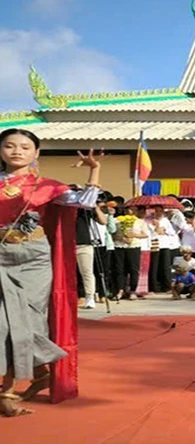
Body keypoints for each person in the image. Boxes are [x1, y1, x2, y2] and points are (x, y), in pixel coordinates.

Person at [0, 128, 102, 415]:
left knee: (27, 321)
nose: (17, 151)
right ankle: (38, 370)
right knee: (3, 322)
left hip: (34, 259)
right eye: (9, 146)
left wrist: (94, 171)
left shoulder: (46, 186)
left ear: (36, 153)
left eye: (24, 146)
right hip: (0, 256)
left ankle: (8, 389)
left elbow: (85, 202)